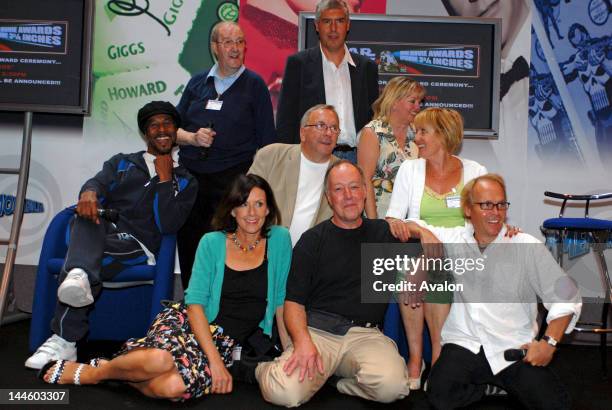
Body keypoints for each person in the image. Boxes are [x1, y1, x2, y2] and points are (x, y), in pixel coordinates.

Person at [38, 174, 293, 402]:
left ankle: (124, 373)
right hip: (189, 323)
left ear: (268, 209)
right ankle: (96, 373)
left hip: (225, 342)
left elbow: (281, 301)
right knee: (160, 360)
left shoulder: (280, 240)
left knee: (173, 387)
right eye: (243, 203)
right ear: (233, 210)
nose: (251, 212)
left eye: (259, 204)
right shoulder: (212, 242)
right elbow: (194, 305)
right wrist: (214, 362)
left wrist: (290, 349)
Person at [25, 101, 198, 370]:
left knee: (83, 263)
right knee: (86, 215)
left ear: (176, 131)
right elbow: (96, 183)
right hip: (103, 232)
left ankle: (65, 336)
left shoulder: (186, 180)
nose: (162, 129)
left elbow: (167, 224)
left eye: (168, 124)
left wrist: (165, 180)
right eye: (154, 125)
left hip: (139, 245)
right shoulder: (122, 163)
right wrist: (89, 193)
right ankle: (79, 279)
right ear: (145, 133)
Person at [395, 174, 582, 409]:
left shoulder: (525, 245)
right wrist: (424, 244)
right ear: (467, 210)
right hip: (465, 344)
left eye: (501, 204)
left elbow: (566, 294)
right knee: (439, 394)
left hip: (512, 347)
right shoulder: (454, 240)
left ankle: (496, 385)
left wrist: (548, 343)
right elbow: (407, 224)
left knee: (552, 403)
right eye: (486, 205)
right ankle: (489, 387)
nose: (496, 212)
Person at [256, 161, 415, 407]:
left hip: (366, 336)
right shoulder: (312, 241)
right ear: (329, 197)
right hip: (318, 334)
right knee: (284, 393)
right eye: (339, 190)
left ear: (364, 190)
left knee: (392, 388)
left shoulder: (383, 234)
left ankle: (337, 383)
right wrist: (303, 342)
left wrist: (419, 231)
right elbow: (293, 304)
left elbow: (432, 260)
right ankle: (263, 370)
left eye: (354, 187)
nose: (348, 196)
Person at [385, 107, 487, 389]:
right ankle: (416, 359)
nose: (415, 138)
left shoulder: (476, 171)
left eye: (422, 131)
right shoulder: (410, 169)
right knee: (413, 268)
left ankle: (438, 357)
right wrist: (422, 231)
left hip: (463, 252)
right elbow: (393, 218)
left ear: (443, 135)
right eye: (416, 131)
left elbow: (484, 221)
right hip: (419, 251)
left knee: (433, 268)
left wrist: (436, 245)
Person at [176, 21, 277, 289]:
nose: (235, 48)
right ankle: (190, 307)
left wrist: (253, 187)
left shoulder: (254, 85)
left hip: (231, 182)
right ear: (214, 48)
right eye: (228, 42)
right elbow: (171, 130)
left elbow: (267, 142)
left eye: (240, 42)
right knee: (189, 246)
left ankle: (219, 312)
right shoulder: (197, 82)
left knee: (222, 248)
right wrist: (192, 137)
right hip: (191, 180)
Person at [275, 0, 379, 162]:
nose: (333, 28)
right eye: (326, 21)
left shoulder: (367, 68)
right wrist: (286, 161)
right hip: (312, 157)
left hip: (358, 158)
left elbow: (375, 119)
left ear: (348, 25)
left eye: (339, 21)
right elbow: (286, 120)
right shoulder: (299, 64)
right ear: (317, 25)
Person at [249, 104, 340, 245]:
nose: (328, 133)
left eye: (334, 128)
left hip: (314, 257)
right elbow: (243, 202)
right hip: (263, 248)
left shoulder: (343, 172)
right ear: (302, 133)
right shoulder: (270, 156)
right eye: (321, 126)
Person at [357, 77, 425, 219]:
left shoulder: (419, 133)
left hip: (413, 218)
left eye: (420, 102)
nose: (418, 107)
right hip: (381, 215)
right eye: (412, 101)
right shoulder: (373, 132)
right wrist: (373, 223)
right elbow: (365, 181)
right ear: (394, 102)